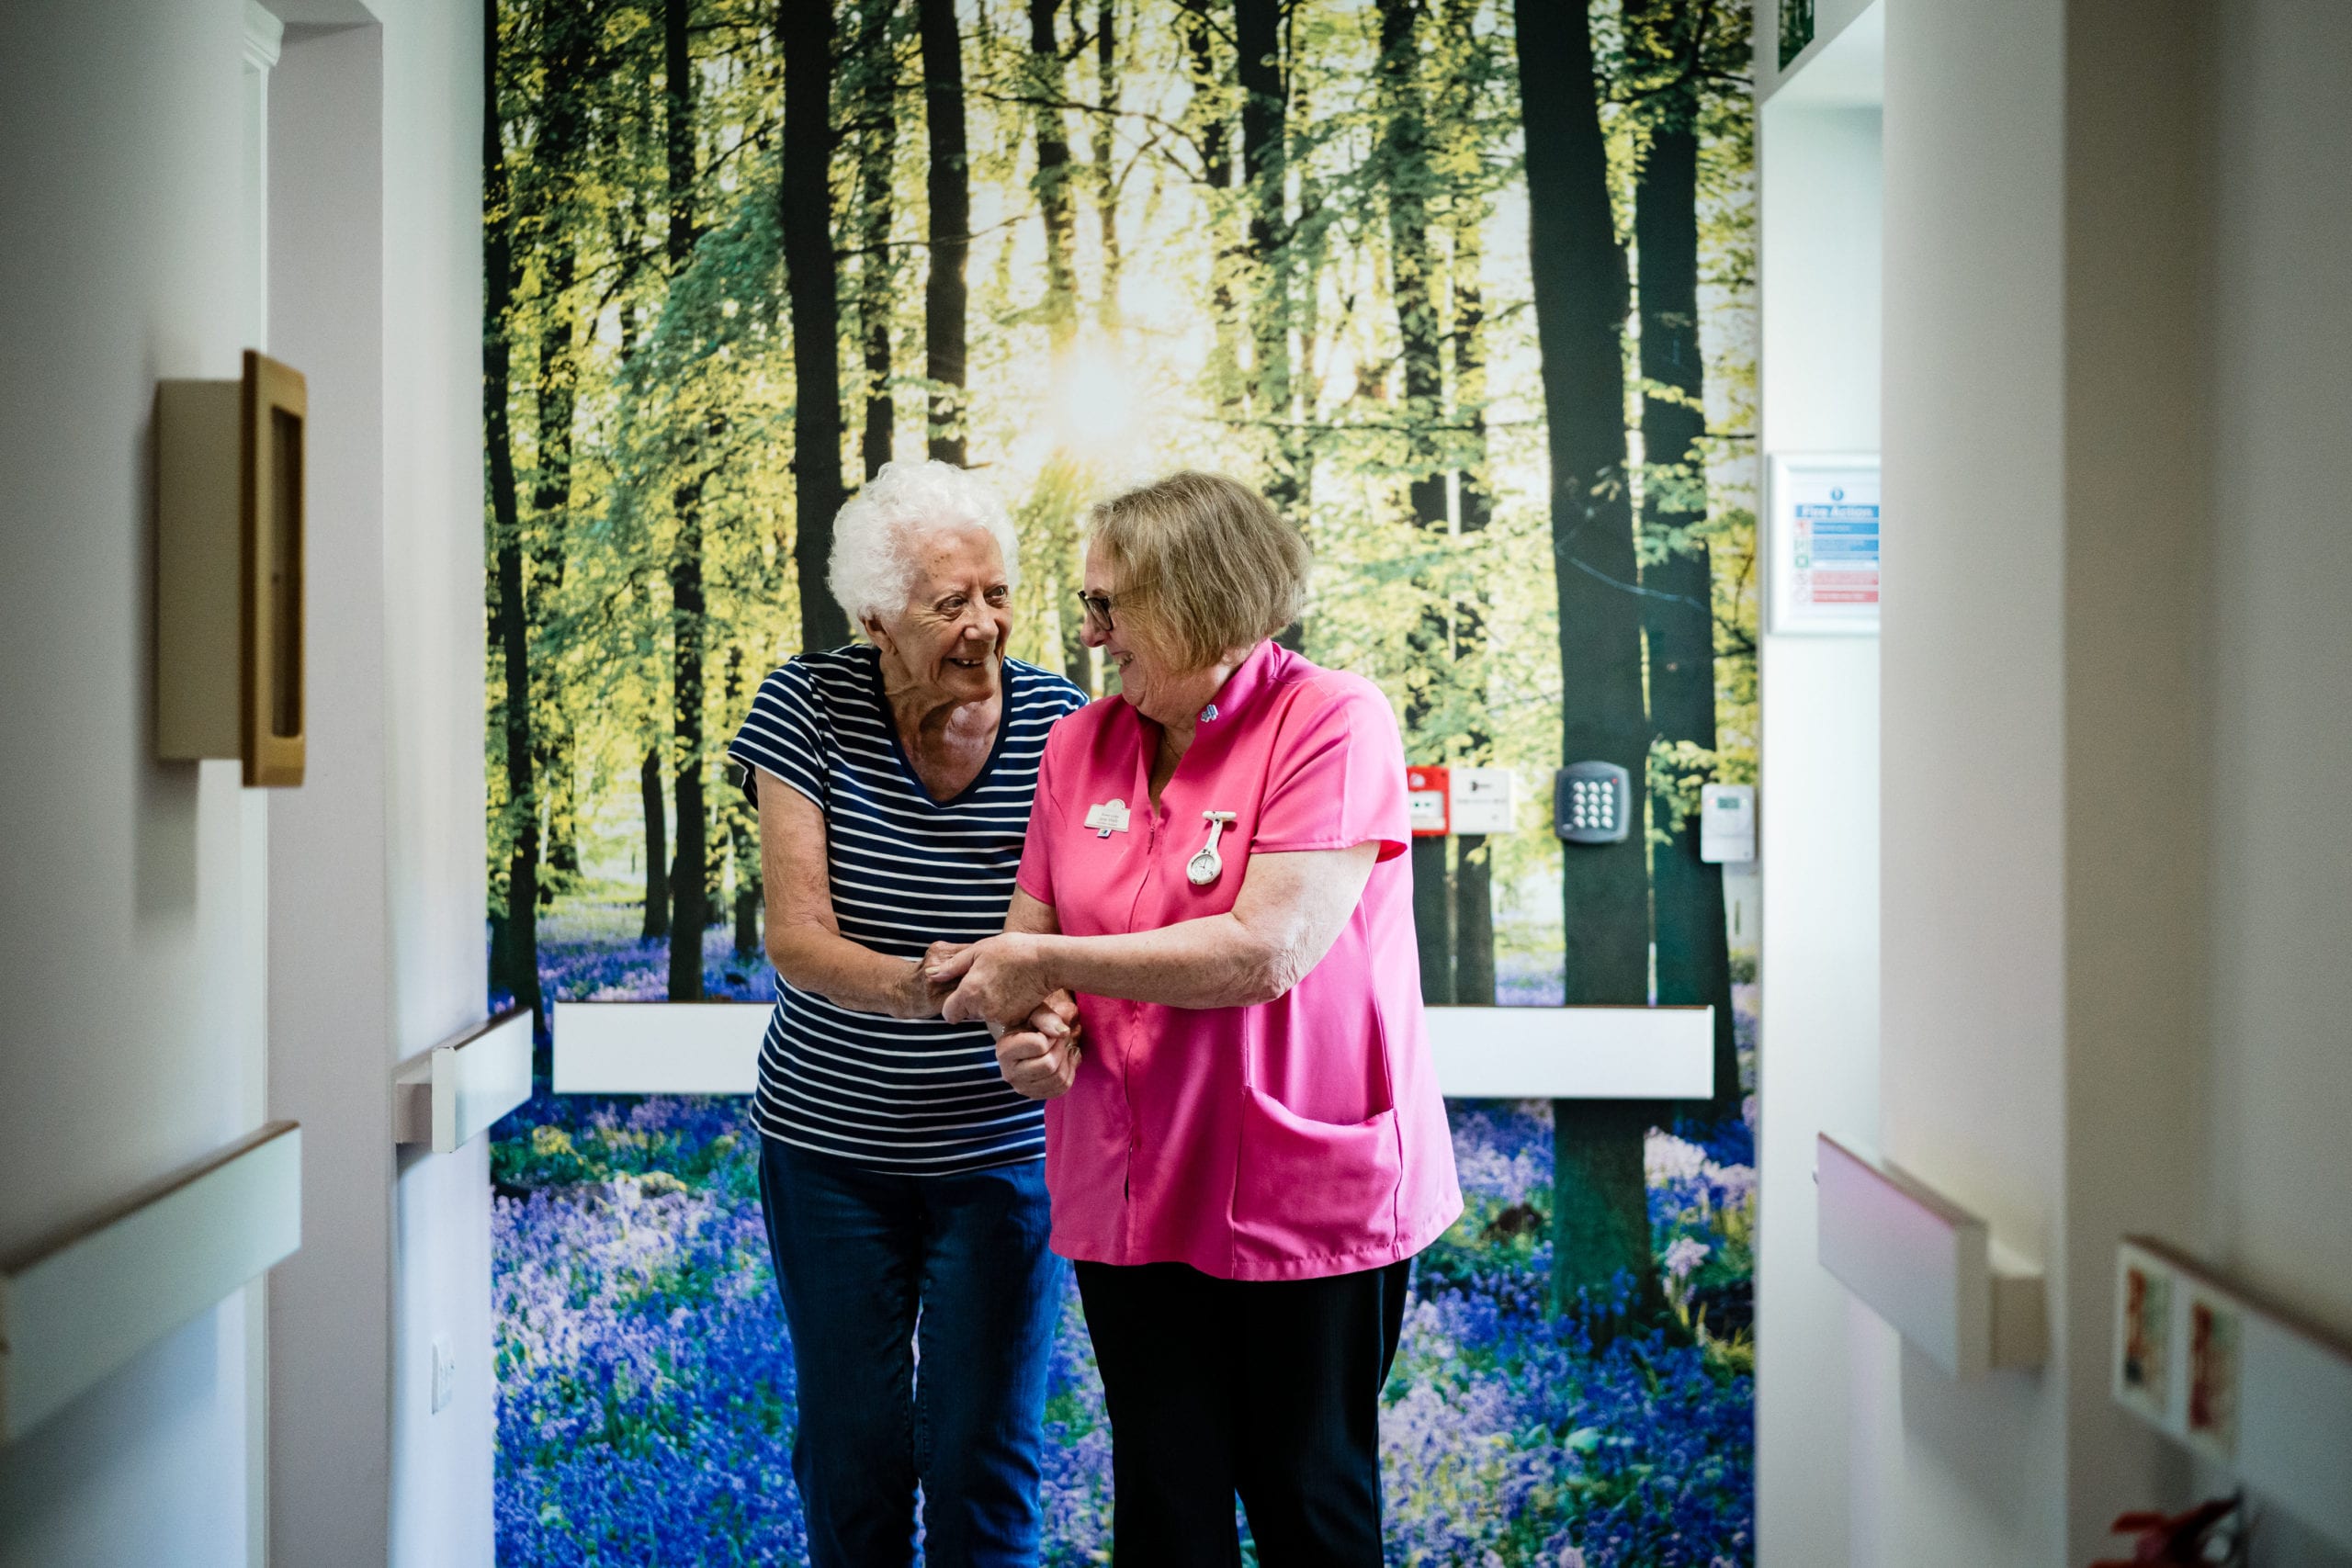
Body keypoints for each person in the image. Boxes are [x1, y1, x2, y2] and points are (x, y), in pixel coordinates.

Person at [930, 469, 1464, 1567]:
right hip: (1132, 1179)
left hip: (1296, 1189)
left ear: (1199, 598)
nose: (1089, 634)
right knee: (1165, 1509)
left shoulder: (1332, 719)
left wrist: (1039, 963)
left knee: (1306, 1500)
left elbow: (1266, 952)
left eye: (1108, 606)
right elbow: (1034, 956)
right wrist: (1030, 1036)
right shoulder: (1078, 746)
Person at [724, 458, 1087, 1568]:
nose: (983, 626)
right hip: (831, 1151)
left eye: (996, 594)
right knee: (855, 1455)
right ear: (877, 618)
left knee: (985, 1459)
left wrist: (1057, 1018)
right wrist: (935, 992)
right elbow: (798, 938)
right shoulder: (804, 707)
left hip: (1002, 1154)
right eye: (948, 603)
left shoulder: (1062, 724)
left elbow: (1081, 934)